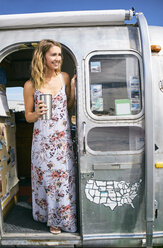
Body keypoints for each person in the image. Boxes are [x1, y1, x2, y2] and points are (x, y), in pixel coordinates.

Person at [23, 39, 77, 234]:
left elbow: (68, 106)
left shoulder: (64, 77)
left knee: (63, 179)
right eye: (53, 54)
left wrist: (72, 88)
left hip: (62, 139)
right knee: (46, 179)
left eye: (59, 55)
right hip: (42, 141)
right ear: (43, 57)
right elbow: (28, 116)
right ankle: (50, 219)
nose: (58, 58)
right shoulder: (30, 85)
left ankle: (64, 218)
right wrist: (36, 113)